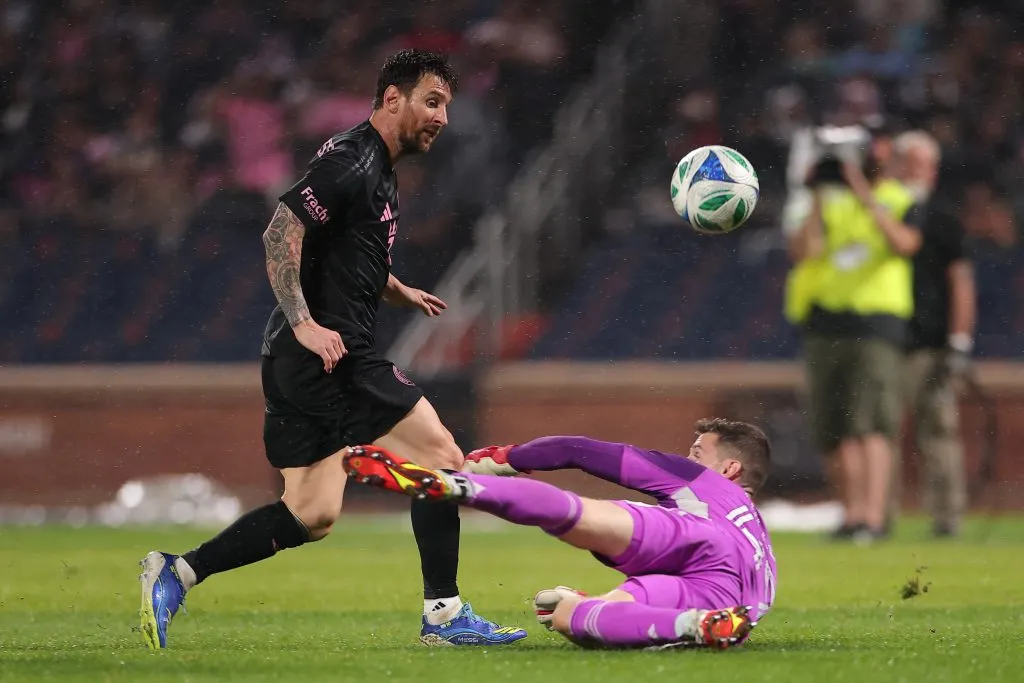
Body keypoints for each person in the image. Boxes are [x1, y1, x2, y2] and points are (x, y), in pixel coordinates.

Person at [138, 50, 526, 649]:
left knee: (310, 514)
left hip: (298, 363)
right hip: (329, 353)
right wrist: (304, 322)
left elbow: (339, 245)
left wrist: (394, 288)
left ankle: (178, 571)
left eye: (446, 104)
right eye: (432, 101)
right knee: (443, 459)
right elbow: (281, 230)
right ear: (392, 99)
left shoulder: (377, 165)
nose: (442, 116)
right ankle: (445, 618)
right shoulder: (353, 160)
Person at [343, 418, 775, 650]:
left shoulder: (706, 484)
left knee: (578, 514)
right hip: (724, 599)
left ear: (729, 469)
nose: (687, 458)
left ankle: (457, 485)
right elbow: (753, 604)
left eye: (697, 452)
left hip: (700, 539)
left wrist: (507, 457)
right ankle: (697, 626)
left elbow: (578, 450)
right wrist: (581, 600)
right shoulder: (765, 555)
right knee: (568, 615)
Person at [786, 127, 922, 544]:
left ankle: (873, 517)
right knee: (835, 426)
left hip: (875, 325)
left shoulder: (900, 200)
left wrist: (865, 194)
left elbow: (905, 244)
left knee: (871, 424)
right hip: (826, 323)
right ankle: (850, 515)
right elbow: (805, 252)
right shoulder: (829, 204)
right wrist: (813, 194)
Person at [897, 131, 974, 537]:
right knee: (880, 433)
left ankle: (948, 518)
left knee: (939, 432)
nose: (914, 172)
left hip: (930, 344)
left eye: (921, 164)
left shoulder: (942, 219)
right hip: (887, 341)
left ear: (933, 170)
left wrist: (959, 341)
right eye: (908, 163)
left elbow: (960, 281)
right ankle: (879, 517)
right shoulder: (887, 213)